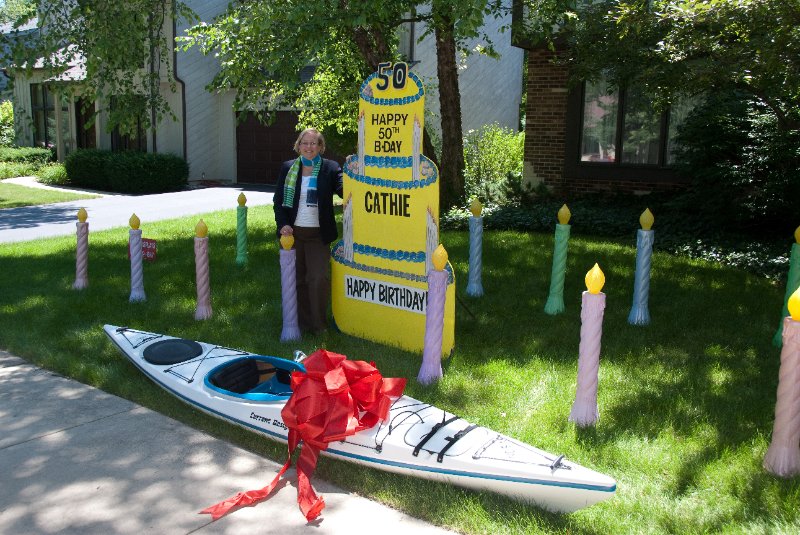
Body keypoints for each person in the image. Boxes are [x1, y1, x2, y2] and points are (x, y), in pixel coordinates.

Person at [273, 128, 343, 334]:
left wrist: (353, 171)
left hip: (318, 236)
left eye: (314, 143)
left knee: (318, 278)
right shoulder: (288, 168)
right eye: (305, 143)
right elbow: (279, 202)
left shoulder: (330, 168)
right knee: (297, 280)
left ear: (321, 147)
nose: (309, 147)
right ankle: (301, 324)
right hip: (292, 235)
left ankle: (319, 325)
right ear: (298, 145)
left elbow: (343, 189)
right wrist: (282, 224)